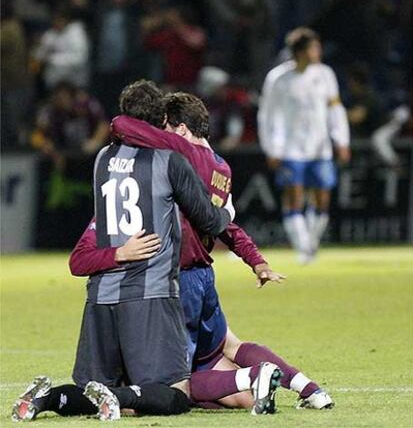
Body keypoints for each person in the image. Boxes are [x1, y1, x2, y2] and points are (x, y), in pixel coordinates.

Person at [70, 90, 333, 411]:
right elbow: (225, 224)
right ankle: (309, 388)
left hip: (173, 280)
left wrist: (125, 119)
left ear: (180, 129)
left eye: (164, 127)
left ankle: (255, 375)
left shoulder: (180, 156)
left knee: (177, 382)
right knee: (230, 347)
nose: (158, 135)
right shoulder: (220, 167)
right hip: (204, 276)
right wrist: (256, 260)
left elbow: (126, 126)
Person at [12, 80, 238, 422]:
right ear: (161, 116)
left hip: (101, 296)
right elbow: (207, 218)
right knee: (176, 395)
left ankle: (49, 398)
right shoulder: (170, 161)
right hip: (149, 293)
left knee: (105, 394)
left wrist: (117, 253)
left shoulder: (102, 159)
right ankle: (115, 394)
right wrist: (228, 213)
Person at [258, 27, 350, 264]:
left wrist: (341, 139)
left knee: (322, 199)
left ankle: (311, 243)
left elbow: (335, 109)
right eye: (313, 47)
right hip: (290, 149)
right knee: (295, 197)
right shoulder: (278, 79)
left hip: (320, 149)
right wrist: (271, 147)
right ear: (300, 52)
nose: (318, 51)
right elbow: (267, 115)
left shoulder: (325, 75)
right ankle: (303, 248)